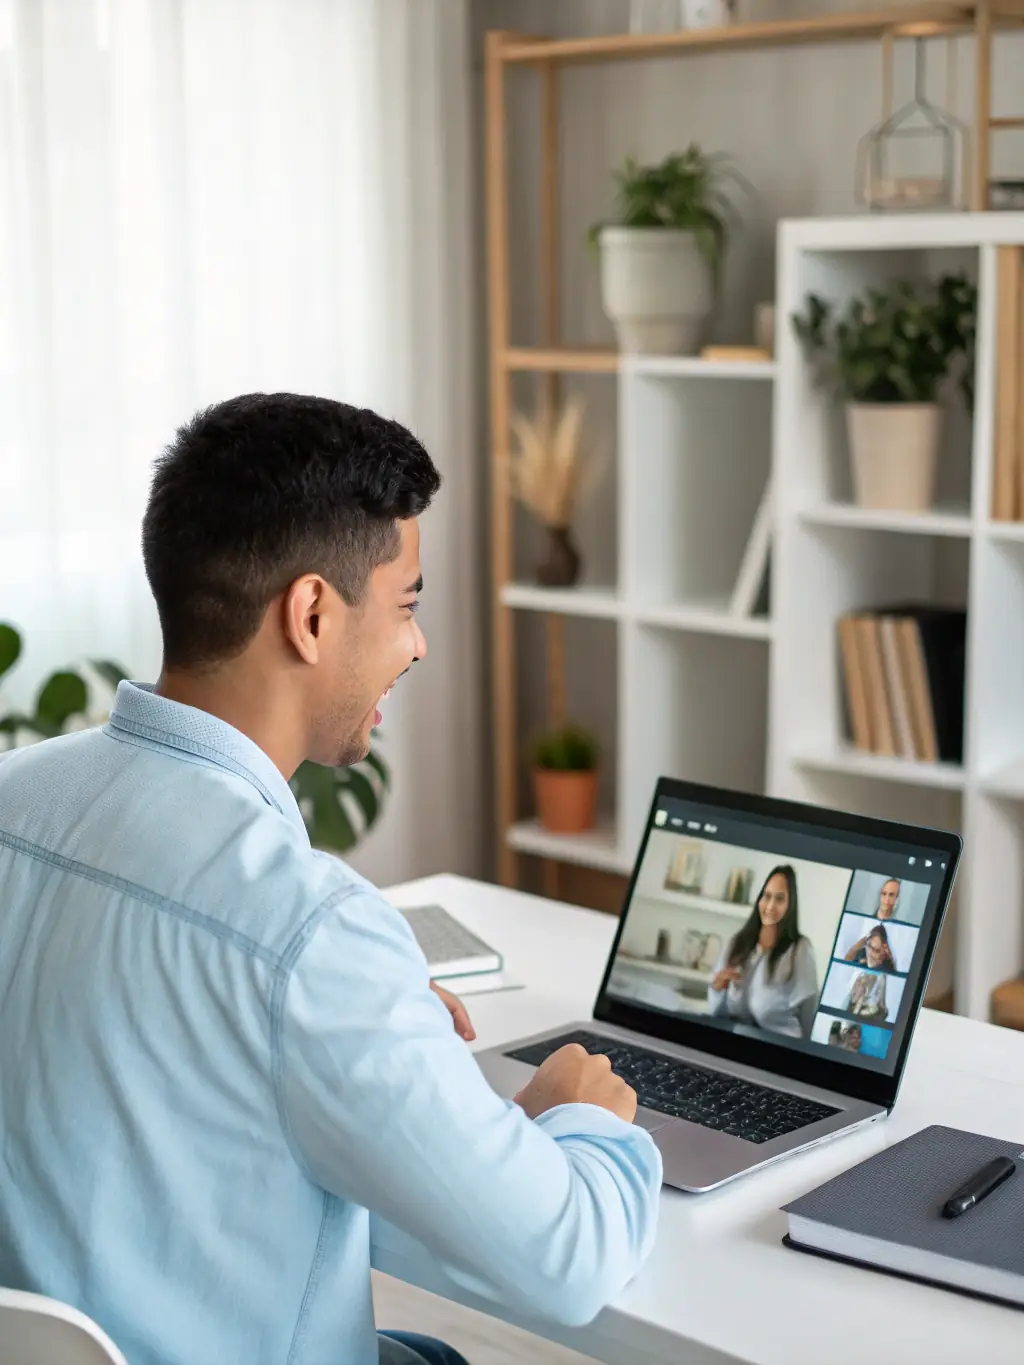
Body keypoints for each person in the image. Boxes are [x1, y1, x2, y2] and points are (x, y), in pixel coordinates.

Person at [0, 395, 662, 1365]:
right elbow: (566, 1263)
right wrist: (577, 1117)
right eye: (407, 606)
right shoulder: (308, 932)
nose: (418, 645)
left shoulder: (15, 793)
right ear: (311, 615)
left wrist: (355, 1030)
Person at [707, 865, 819, 1039]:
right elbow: (715, 1012)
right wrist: (717, 989)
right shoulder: (737, 943)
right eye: (767, 896)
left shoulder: (800, 949)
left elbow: (809, 1017)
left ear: (790, 905)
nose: (770, 906)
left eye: (780, 899)